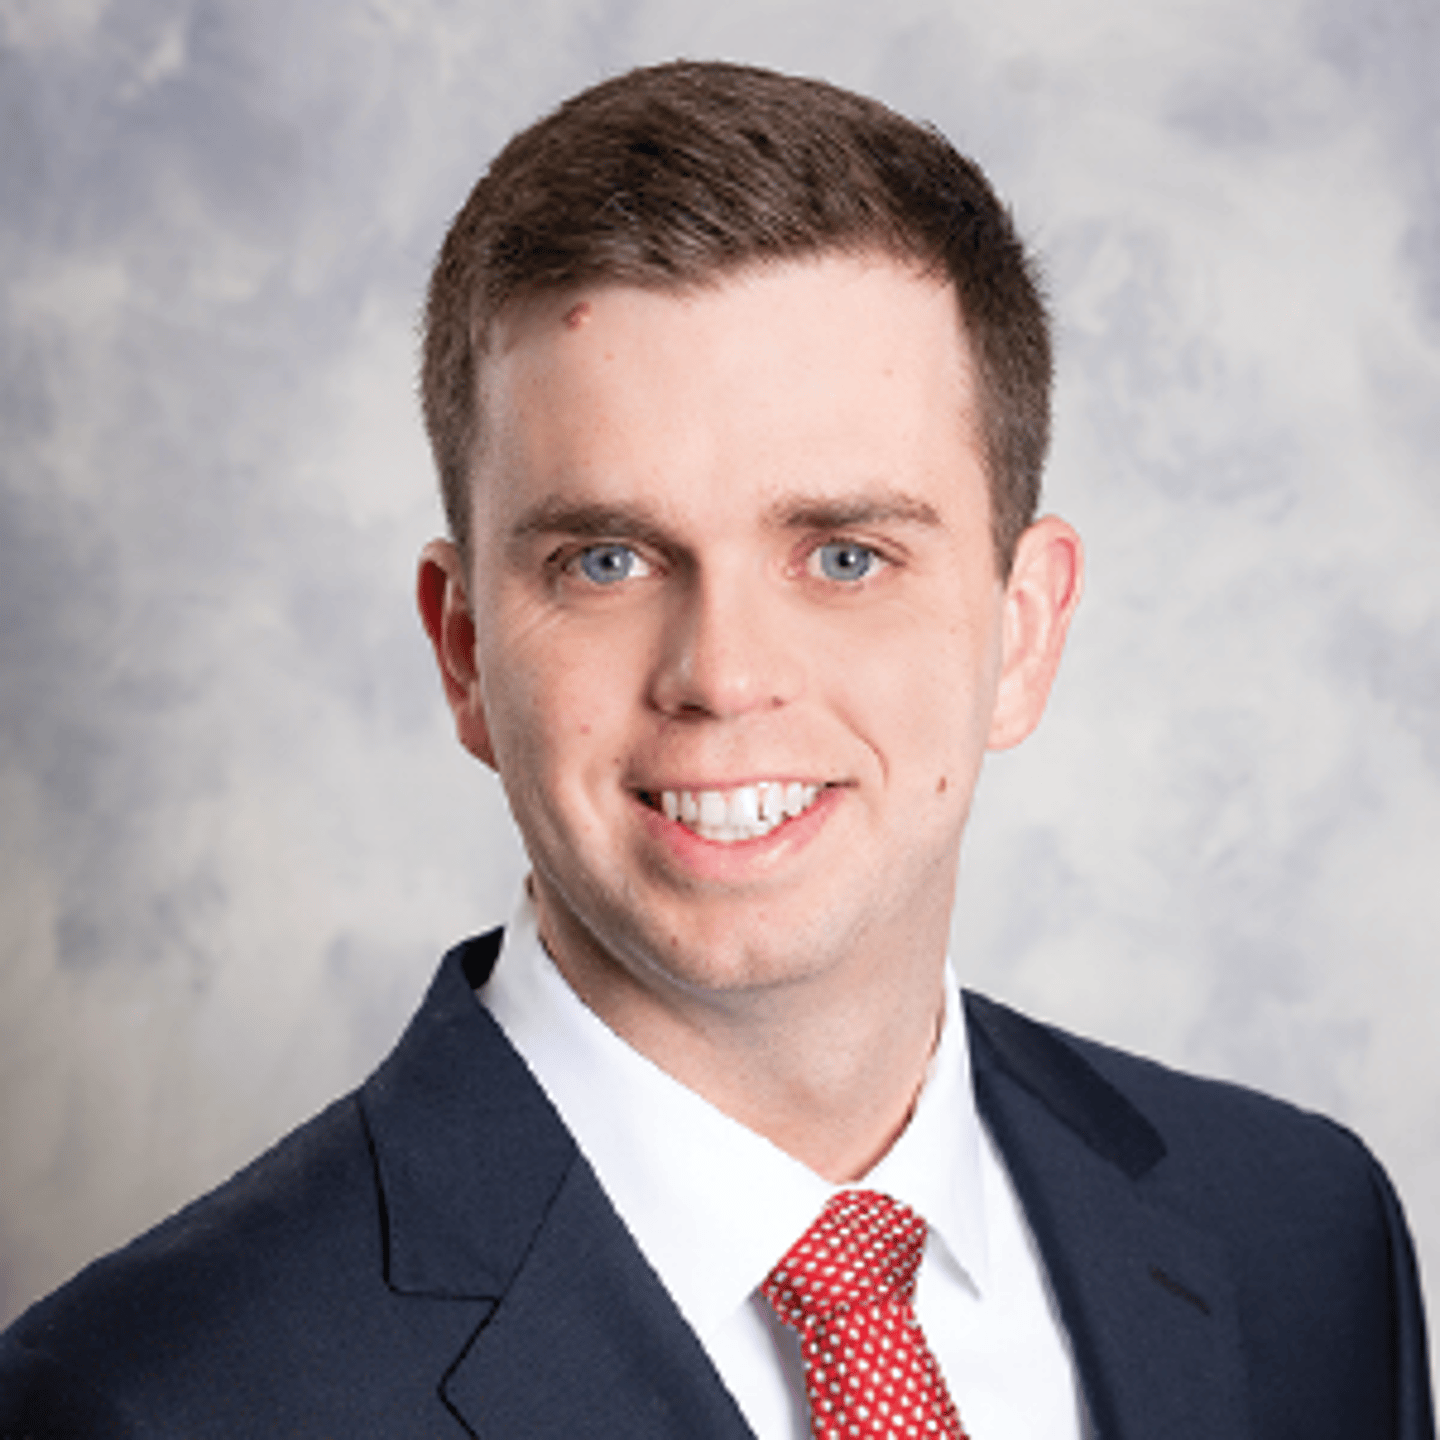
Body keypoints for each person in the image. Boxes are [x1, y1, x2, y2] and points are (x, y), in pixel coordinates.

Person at [0, 59, 1431, 1440]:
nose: (724, 676)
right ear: (464, 653)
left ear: (1025, 631)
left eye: (847, 556)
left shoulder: (1302, 1238)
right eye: (609, 560)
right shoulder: (154, 1403)